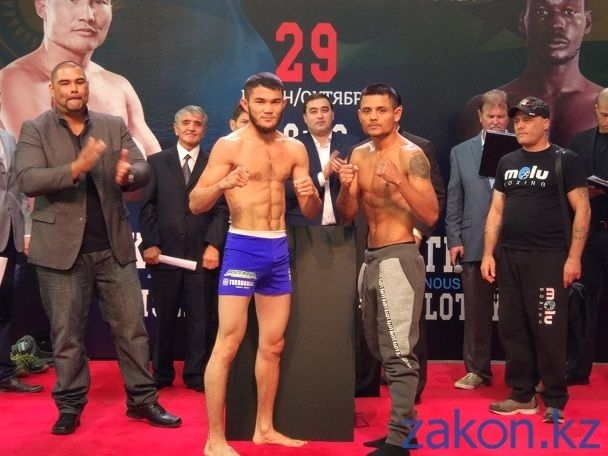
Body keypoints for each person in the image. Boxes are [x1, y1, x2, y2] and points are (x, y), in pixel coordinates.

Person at [15, 61, 180, 434]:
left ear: (87, 87)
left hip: (113, 248)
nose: (73, 88)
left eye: (79, 81)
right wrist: (77, 167)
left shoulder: (111, 124)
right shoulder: (35, 129)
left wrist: (129, 175)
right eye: (65, 83)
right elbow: (27, 179)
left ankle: (143, 400)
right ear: (52, 90)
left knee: (132, 330)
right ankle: (70, 406)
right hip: (60, 253)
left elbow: (142, 167)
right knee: (67, 336)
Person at [188, 72, 321, 455]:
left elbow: (310, 211)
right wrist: (222, 185)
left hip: (277, 250)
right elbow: (195, 203)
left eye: (275, 102)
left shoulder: (294, 149)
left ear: (284, 104)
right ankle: (214, 440)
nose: (268, 109)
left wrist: (309, 194)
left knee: (274, 345)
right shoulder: (228, 146)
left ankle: (264, 428)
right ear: (246, 103)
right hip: (243, 248)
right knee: (227, 344)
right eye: (260, 102)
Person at [336, 82, 439, 456]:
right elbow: (348, 215)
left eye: (381, 110)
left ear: (397, 114)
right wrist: (345, 187)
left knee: (398, 352)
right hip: (371, 257)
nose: (373, 117)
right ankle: (402, 428)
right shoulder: (358, 154)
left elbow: (430, 214)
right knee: (379, 346)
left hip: (399, 257)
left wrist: (399, 182)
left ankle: (400, 438)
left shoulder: (412, 156)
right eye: (366, 110)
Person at [481, 96, 590, 424]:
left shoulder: (565, 160)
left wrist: (573, 258)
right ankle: (522, 394)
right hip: (511, 257)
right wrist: (488, 253)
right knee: (512, 328)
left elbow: (583, 209)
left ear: (545, 123)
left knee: (548, 330)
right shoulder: (507, 162)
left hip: (549, 259)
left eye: (528, 119)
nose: (520, 125)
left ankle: (554, 397)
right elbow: (496, 211)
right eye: (517, 120)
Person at [139, 105, 229, 393]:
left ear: (205, 129)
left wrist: (213, 245)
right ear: (176, 128)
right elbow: (147, 207)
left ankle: (196, 373)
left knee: (200, 321)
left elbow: (222, 210)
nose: (191, 127)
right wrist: (151, 243)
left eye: (197, 123)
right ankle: (162, 373)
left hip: (201, 256)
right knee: (164, 319)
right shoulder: (156, 162)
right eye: (186, 123)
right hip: (165, 255)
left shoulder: (215, 164)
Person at [0, 0, 160, 156]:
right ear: (42, 7)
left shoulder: (118, 86)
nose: (88, 15)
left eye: (99, 2)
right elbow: (52, 164)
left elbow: (158, 165)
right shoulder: (11, 81)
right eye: (73, 1)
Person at [459, 0, 602, 147]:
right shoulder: (483, 108)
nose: (556, 24)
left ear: (588, 22)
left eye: (569, 12)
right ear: (522, 21)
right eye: (541, 12)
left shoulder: (605, 105)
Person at [446, 89, 509, 390]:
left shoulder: (522, 148)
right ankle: (477, 370)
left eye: (501, 116)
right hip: (473, 239)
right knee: (476, 312)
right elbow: (454, 198)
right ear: (480, 117)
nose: (496, 121)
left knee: (516, 313)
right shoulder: (461, 152)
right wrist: (454, 238)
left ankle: (522, 371)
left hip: (514, 241)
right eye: (490, 116)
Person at [566, 87, 608, 385]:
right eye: (605, 114)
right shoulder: (579, 142)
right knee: (584, 305)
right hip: (591, 236)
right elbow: (568, 184)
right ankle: (578, 369)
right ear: (595, 110)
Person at [0, 126, 44, 393]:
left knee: (4, 306)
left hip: (9, 236)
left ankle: (4, 373)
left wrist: (27, 230)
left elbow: (18, 190)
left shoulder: (7, 138)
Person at [286, 92, 360, 226]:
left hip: (344, 226)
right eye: (313, 111)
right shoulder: (293, 146)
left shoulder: (352, 145)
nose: (320, 116)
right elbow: (285, 189)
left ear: (333, 114)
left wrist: (346, 176)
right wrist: (323, 176)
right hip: (303, 227)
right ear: (305, 118)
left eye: (325, 110)